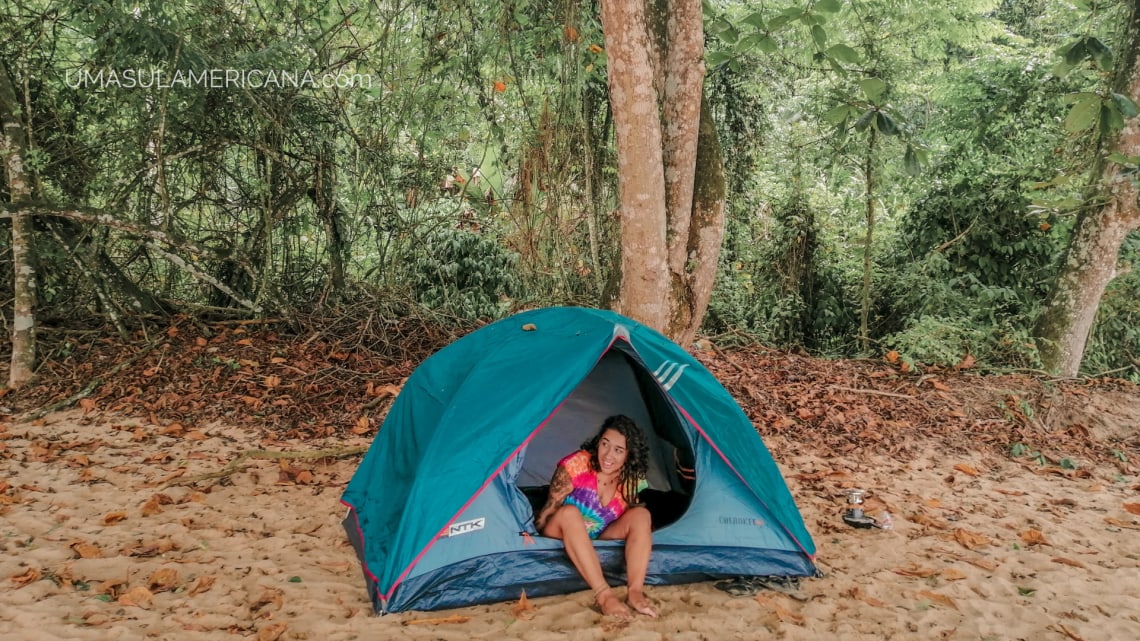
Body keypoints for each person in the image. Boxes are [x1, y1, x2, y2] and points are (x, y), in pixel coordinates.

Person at [534, 415, 658, 619]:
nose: (608, 455)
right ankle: (604, 595)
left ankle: (635, 592)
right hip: (560, 531)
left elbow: (634, 523)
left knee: (642, 515)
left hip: (597, 535)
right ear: (598, 442)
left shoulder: (631, 478)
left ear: (629, 455)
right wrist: (531, 541)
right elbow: (547, 513)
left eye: (618, 450)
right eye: (605, 444)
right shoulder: (576, 465)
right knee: (570, 513)